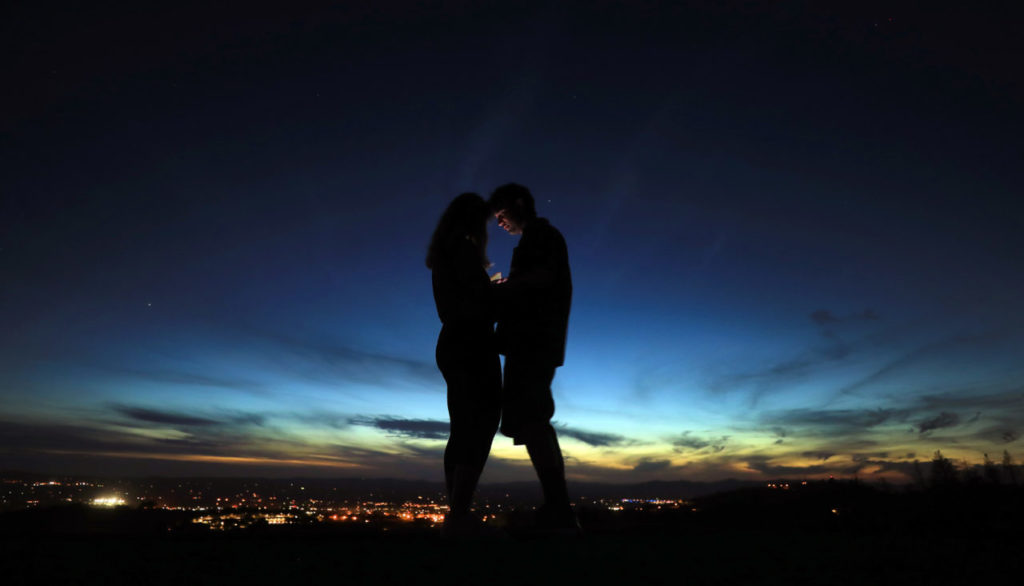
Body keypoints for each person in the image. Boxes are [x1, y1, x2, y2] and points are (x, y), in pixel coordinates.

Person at [489, 183, 580, 533]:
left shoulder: (541, 235)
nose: (499, 224)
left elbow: (540, 280)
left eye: (501, 216)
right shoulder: (540, 237)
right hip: (533, 341)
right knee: (531, 418)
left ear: (518, 205)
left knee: (534, 418)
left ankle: (559, 510)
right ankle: (557, 506)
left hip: (532, 341)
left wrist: (502, 289)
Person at [426, 193, 502, 537]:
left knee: (463, 427)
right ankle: (459, 513)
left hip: (453, 343)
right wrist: (502, 293)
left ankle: (457, 512)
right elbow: (479, 304)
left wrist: (488, 291)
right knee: (480, 425)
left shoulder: (445, 250)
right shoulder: (462, 247)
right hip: (472, 344)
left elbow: (463, 299)